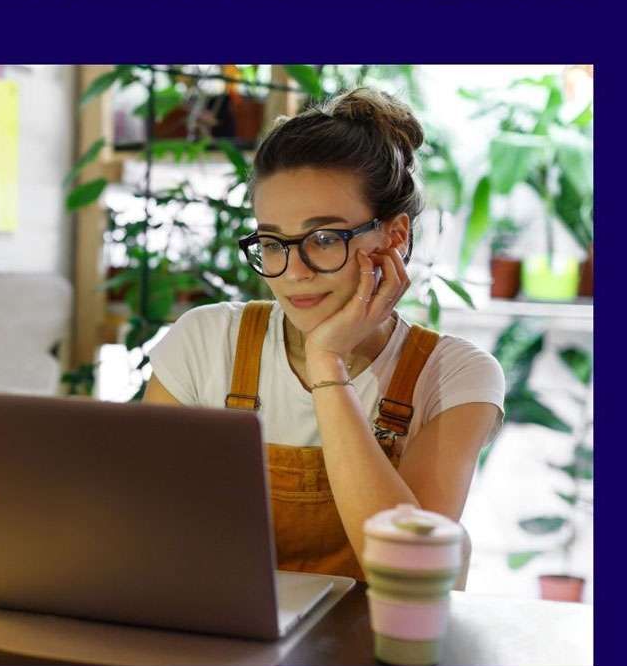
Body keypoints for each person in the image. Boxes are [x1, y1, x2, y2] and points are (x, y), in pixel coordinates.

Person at [144, 87, 504, 584]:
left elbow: (411, 572)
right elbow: (143, 528)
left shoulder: (455, 376)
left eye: (324, 238)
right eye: (273, 242)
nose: (292, 271)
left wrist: (327, 365)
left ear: (393, 236)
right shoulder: (206, 340)